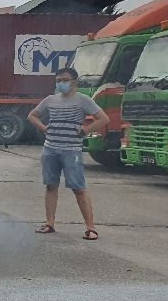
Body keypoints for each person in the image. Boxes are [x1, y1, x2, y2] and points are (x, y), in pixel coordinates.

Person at [28, 67, 109, 240]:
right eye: (58, 81)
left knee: (78, 188)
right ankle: (49, 223)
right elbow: (32, 116)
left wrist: (86, 130)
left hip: (72, 150)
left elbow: (104, 118)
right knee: (51, 186)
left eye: (64, 80)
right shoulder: (50, 100)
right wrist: (43, 127)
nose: (61, 83)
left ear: (74, 81)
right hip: (50, 149)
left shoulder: (83, 100)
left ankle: (90, 227)